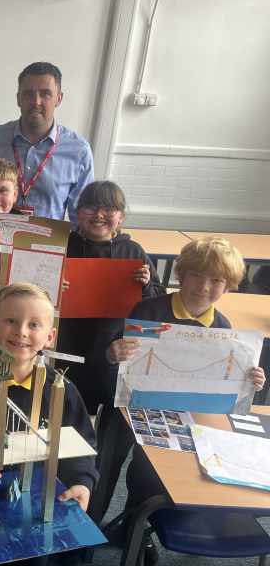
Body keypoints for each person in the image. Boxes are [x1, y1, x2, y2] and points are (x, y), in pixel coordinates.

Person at [104, 236, 265, 561]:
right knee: (107, 469)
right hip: (132, 410)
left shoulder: (222, 328)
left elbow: (223, 382)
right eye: (196, 275)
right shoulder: (149, 310)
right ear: (181, 273)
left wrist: (250, 381)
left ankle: (136, 527)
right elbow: (120, 365)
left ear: (230, 285)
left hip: (181, 418)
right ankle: (92, 525)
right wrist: (112, 354)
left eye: (217, 280)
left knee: (154, 473)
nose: (204, 286)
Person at [0, 282, 98, 509]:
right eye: (11, 321)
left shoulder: (63, 390)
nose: (21, 331)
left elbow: (82, 444)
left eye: (34, 324)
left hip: (39, 497)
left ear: (49, 337)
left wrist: (82, 483)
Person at [56, 181, 165, 416]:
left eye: (109, 209)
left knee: (104, 409)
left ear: (121, 216)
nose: (99, 215)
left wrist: (145, 286)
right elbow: (31, 292)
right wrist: (48, 289)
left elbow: (158, 300)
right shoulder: (59, 246)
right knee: (64, 406)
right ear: (77, 213)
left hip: (112, 347)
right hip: (65, 343)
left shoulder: (134, 251)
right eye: (90, 207)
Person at [0, 62, 94, 226]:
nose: (36, 101)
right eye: (28, 94)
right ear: (18, 98)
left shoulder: (79, 151)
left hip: (46, 247)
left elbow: (81, 217)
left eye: (45, 94)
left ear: (59, 99)